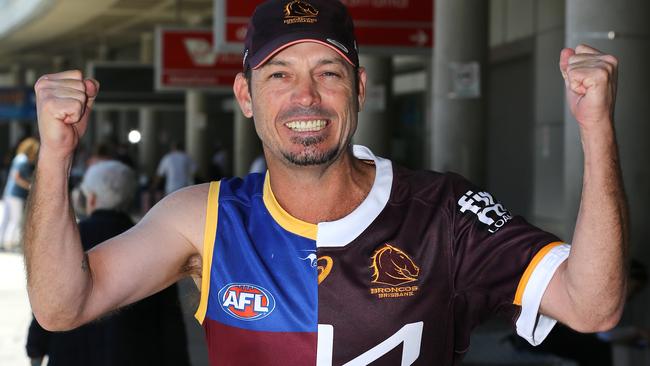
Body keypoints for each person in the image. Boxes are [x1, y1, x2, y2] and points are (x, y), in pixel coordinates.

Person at [24, 0, 628, 365]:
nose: (304, 96)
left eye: (328, 72)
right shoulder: (203, 219)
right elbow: (60, 306)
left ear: (359, 90)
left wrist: (596, 128)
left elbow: (592, 303)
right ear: (246, 97)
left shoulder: (442, 212)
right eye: (279, 73)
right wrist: (55, 156)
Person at [25, 160, 190, 366]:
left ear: (91, 199)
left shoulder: (68, 242)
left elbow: (49, 298)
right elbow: (169, 319)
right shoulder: (153, 242)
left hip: (71, 355)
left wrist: (36, 348)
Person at [0, 137, 39, 251]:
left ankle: (3, 241)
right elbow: (16, 176)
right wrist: (29, 186)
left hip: (9, 192)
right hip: (16, 194)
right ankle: (9, 243)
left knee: (7, 218)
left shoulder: (18, 158)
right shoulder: (23, 160)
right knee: (15, 219)